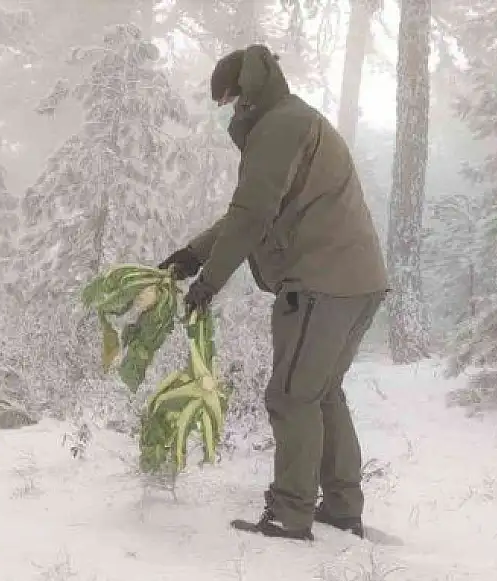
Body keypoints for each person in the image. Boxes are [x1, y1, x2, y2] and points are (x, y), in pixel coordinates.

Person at [159, 45, 388, 541]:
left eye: (229, 101)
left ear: (244, 92)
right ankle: (343, 508)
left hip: (321, 282)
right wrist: (192, 255)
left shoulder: (279, 126)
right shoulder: (293, 119)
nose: (230, 111)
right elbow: (247, 212)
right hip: (357, 280)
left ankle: (290, 514)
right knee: (321, 393)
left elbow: (252, 215)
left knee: (290, 396)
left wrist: (207, 284)